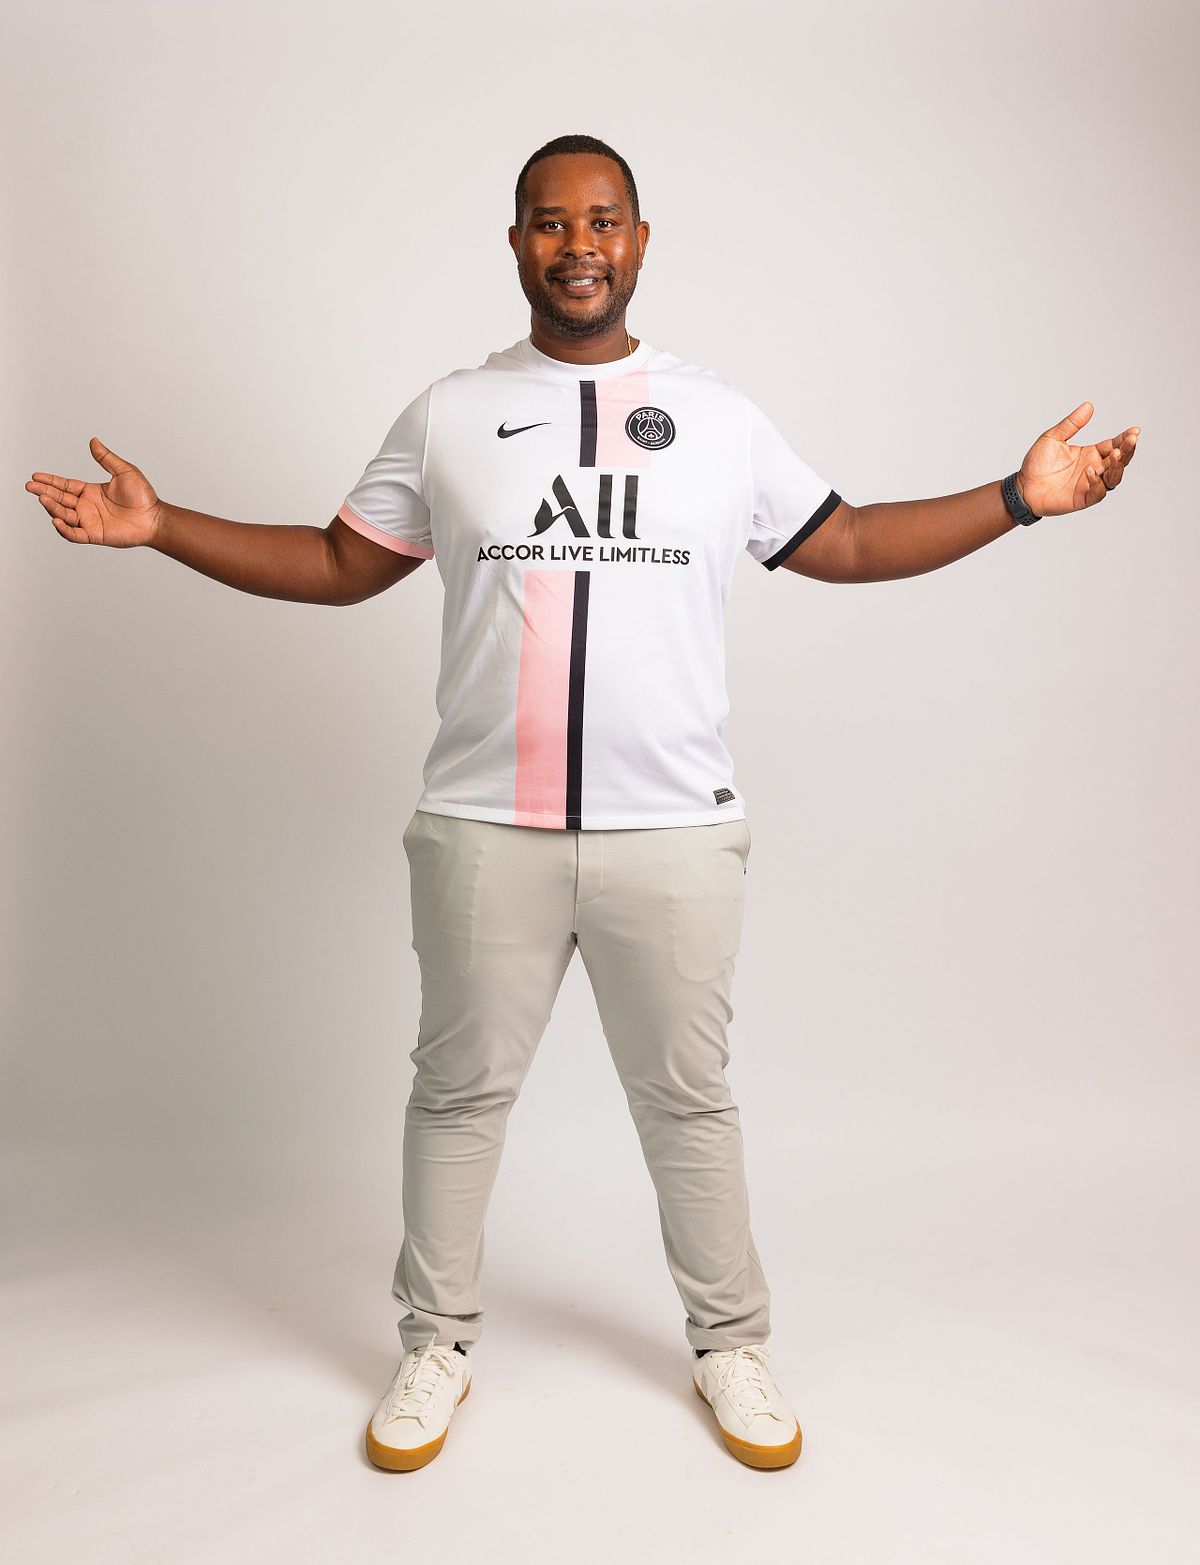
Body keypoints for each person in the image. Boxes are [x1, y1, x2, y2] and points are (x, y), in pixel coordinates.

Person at [26, 132, 1140, 1475]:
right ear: (515, 246)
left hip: (674, 831)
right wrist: (164, 527)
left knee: (688, 1101)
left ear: (641, 241)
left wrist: (1022, 496)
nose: (577, 245)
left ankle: (731, 1341)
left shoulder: (719, 419)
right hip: (482, 826)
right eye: (550, 223)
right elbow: (336, 561)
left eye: (602, 220)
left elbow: (841, 538)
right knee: (455, 1095)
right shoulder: (449, 413)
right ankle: (433, 1342)